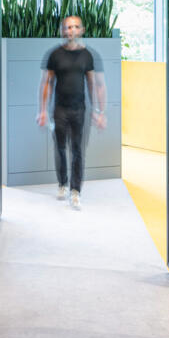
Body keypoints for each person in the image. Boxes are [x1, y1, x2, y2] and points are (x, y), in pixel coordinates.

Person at [37, 14, 106, 210]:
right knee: (60, 148)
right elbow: (47, 83)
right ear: (62, 31)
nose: (71, 30)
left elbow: (95, 84)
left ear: (81, 30)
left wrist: (99, 111)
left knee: (77, 151)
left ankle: (75, 191)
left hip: (79, 110)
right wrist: (43, 110)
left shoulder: (88, 55)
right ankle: (62, 183)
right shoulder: (54, 54)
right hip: (59, 110)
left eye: (75, 27)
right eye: (68, 27)